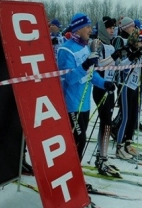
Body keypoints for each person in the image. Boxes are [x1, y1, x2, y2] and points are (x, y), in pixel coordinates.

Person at [57, 13, 115, 162]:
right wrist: (84, 65)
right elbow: (69, 79)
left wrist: (103, 83)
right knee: (79, 140)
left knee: (80, 142)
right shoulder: (66, 50)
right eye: (88, 26)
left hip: (85, 104)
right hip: (72, 105)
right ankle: (71, 176)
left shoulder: (85, 47)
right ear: (78, 28)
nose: (91, 29)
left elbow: (91, 74)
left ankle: (76, 175)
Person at [91, 16, 122, 177]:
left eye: (113, 28)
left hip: (110, 87)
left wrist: (131, 52)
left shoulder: (110, 44)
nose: (112, 31)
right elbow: (98, 65)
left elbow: (115, 66)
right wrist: (115, 56)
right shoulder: (97, 43)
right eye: (109, 28)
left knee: (107, 123)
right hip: (100, 88)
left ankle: (101, 156)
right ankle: (101, 158)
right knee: (106, 122)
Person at [111, 16, 142, 159]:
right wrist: (132, 56)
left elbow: (140, 63)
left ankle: (128, 143)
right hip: (124, 83)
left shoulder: (135, 43)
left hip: (134, 83)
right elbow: (119, 65)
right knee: (125, 116)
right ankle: (119, 146)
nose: (134, 29)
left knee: (133, 115)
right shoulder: (120, 40)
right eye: (131, 27)